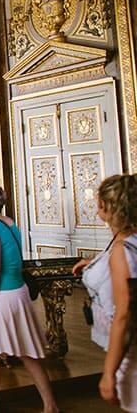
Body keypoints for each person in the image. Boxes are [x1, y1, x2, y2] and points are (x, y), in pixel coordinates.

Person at [0, 182, 58, 413]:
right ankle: (50, 406)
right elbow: (6, 258)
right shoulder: (8, 222)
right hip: (18, 290)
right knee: (27, 352)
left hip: (4, 295)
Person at [74, 174, 137, 411]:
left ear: (108, 206)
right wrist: (96, 263)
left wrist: (108, 373)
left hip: (130, 349)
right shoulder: (125, 242)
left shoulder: (122, 250)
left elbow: (124, 315)